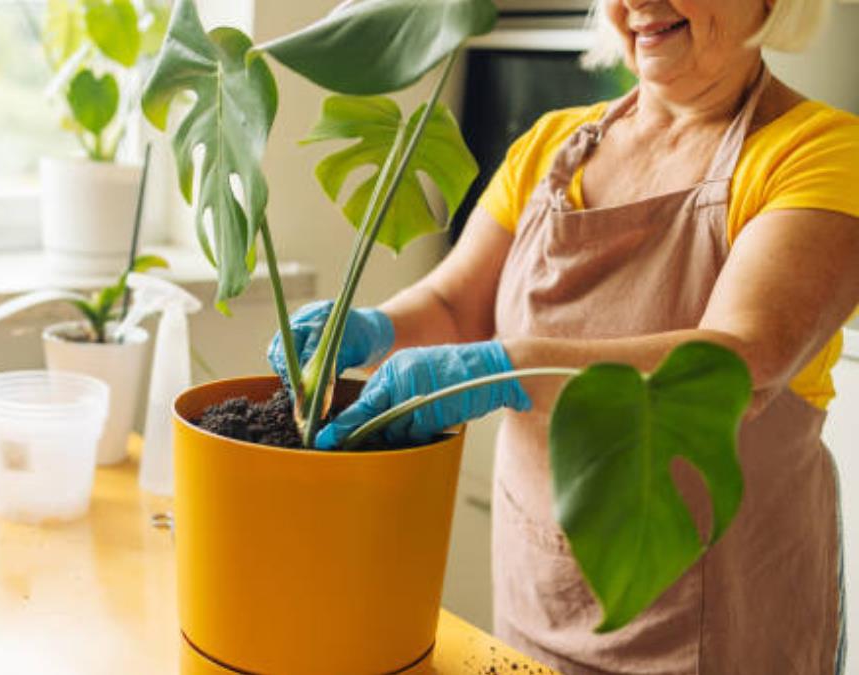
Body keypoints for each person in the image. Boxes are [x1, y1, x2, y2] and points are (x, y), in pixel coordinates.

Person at [268, 0, 859, 671]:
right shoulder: (551, 143)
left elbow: (741, 358)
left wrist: (504, 368)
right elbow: (456, 303)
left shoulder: (819, 149)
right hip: (536, 602)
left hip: (716, 625)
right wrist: (372, 328)